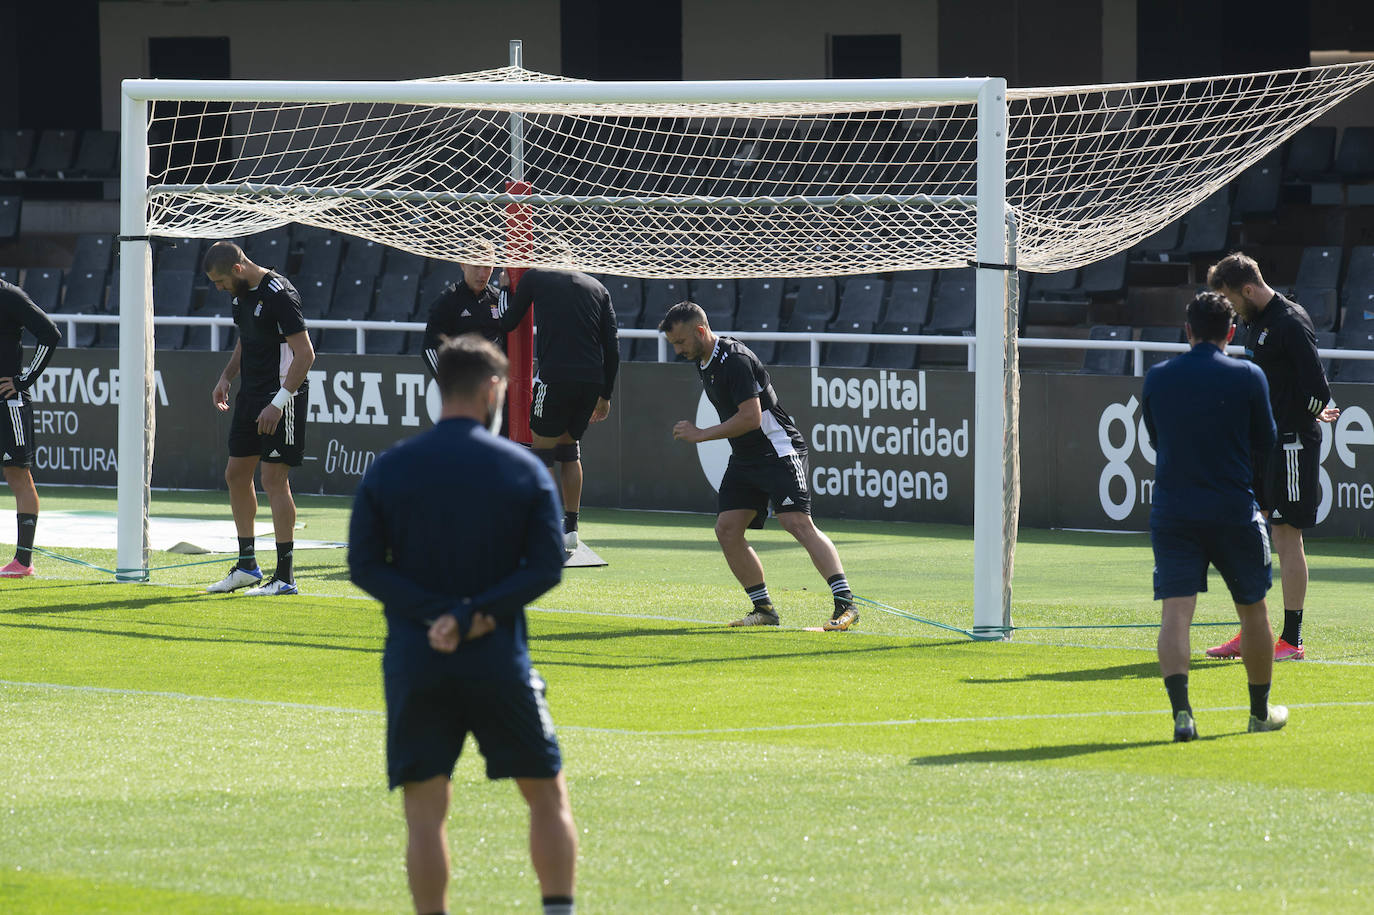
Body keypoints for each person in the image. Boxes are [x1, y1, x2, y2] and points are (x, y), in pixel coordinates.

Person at [348, 334, 576, 915]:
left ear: (440, 389)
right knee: (547, 796)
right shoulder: (523, 468)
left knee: (425, 813)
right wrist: (472, 615)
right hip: (497, 655)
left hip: (417, 656)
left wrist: (436, 616)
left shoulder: (391, 467)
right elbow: (548, 565)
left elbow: (365, 566)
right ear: (494, 389)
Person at [658, 301, 859, 630]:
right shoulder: (703, 359)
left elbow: (751, 418)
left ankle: (846, 604)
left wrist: (701, 434)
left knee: (796, 522)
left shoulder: (734, 360)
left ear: (700, 331)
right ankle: (764, 609)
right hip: (746, 457)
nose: (678, 350)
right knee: (727, 529)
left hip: (778, 451)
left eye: (680, 342)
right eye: (674, 344)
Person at [1142, 291, 1288, 741]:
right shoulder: (1248, 375)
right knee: (1254, 613)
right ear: (1230, 331)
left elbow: (1155, 438)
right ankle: (1258, 712)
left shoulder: (1158, 376)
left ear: (1188, 331)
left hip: (1174, 510)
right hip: (1233, 510)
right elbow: (1267, 442)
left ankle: (1182, 715)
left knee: (1176, 615)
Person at [1205, 252, 1339, 661]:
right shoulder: (1254, 321)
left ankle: (1292, 639)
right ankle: (1253, 632)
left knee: (1286, 535)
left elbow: (1317, 388)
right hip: (1263, 444)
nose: (1228, 307)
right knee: (1255, 533)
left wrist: (1307, 412)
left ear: (1247, 289)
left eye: (1229, 297)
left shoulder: (1290, 321)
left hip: (1292, 443)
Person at [202, 241, 316, 595]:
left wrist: (279, 402)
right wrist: (226, 377)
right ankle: (248, 566)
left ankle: (285, 577)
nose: (218, 289)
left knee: (274, 479)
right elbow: (245, 340)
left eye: (219, 282)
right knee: (236, 474)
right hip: (250, 396)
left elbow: (305, 354)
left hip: (281, 396)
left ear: (237, 269)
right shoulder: (241, 295)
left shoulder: (280, 294)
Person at [498, 267, 619, 551]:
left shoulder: (536, 276)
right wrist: (606, 393)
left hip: (555, 378)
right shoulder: (598, 287)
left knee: (542, 454)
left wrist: (505, 289)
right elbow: (612, 345)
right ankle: (571, 527)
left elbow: (507, 321)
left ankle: (547, 525)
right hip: (591, 381)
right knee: (569, 449)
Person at [0, 278, 61, 578]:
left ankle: (23, 562)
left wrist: (24, 380)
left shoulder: (10, 296)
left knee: (18, 475)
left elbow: (50, 334)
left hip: (8, 404)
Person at [421, 244, 507, 433]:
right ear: (462, 264)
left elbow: (508, 342)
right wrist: (451, 383)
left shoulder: (497, 299)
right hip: (463, 393)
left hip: (495, 391)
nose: (482, 273)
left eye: (487, 266)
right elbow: (429, 349)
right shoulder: (447, 302)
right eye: (476, 265)